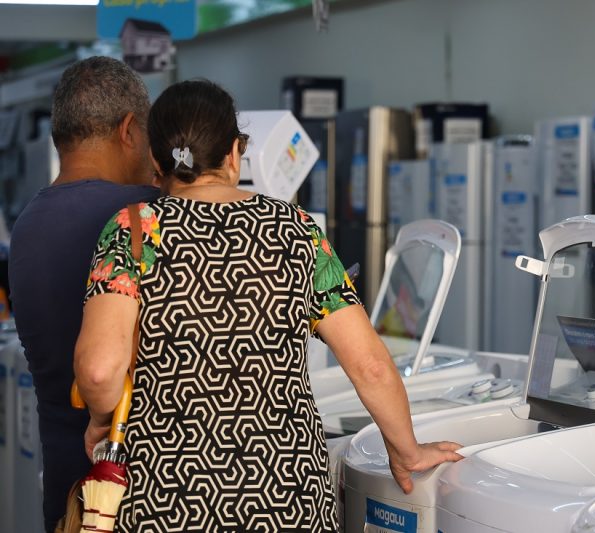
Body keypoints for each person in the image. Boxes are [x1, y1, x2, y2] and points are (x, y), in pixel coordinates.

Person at [73, 79, 462, 531]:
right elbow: (371, 366)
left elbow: (100, 371)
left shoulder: (134, 231)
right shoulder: (297, 230)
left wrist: (100, 422)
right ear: (235, 153)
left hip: (168, 500)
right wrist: (407, 451)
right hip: (289, 498)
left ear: (156, 164)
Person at [8, 56, 159, 532]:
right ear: (129, 130)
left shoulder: (26, 225)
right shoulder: (142, 214)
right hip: (137, 489)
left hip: (68, 496)